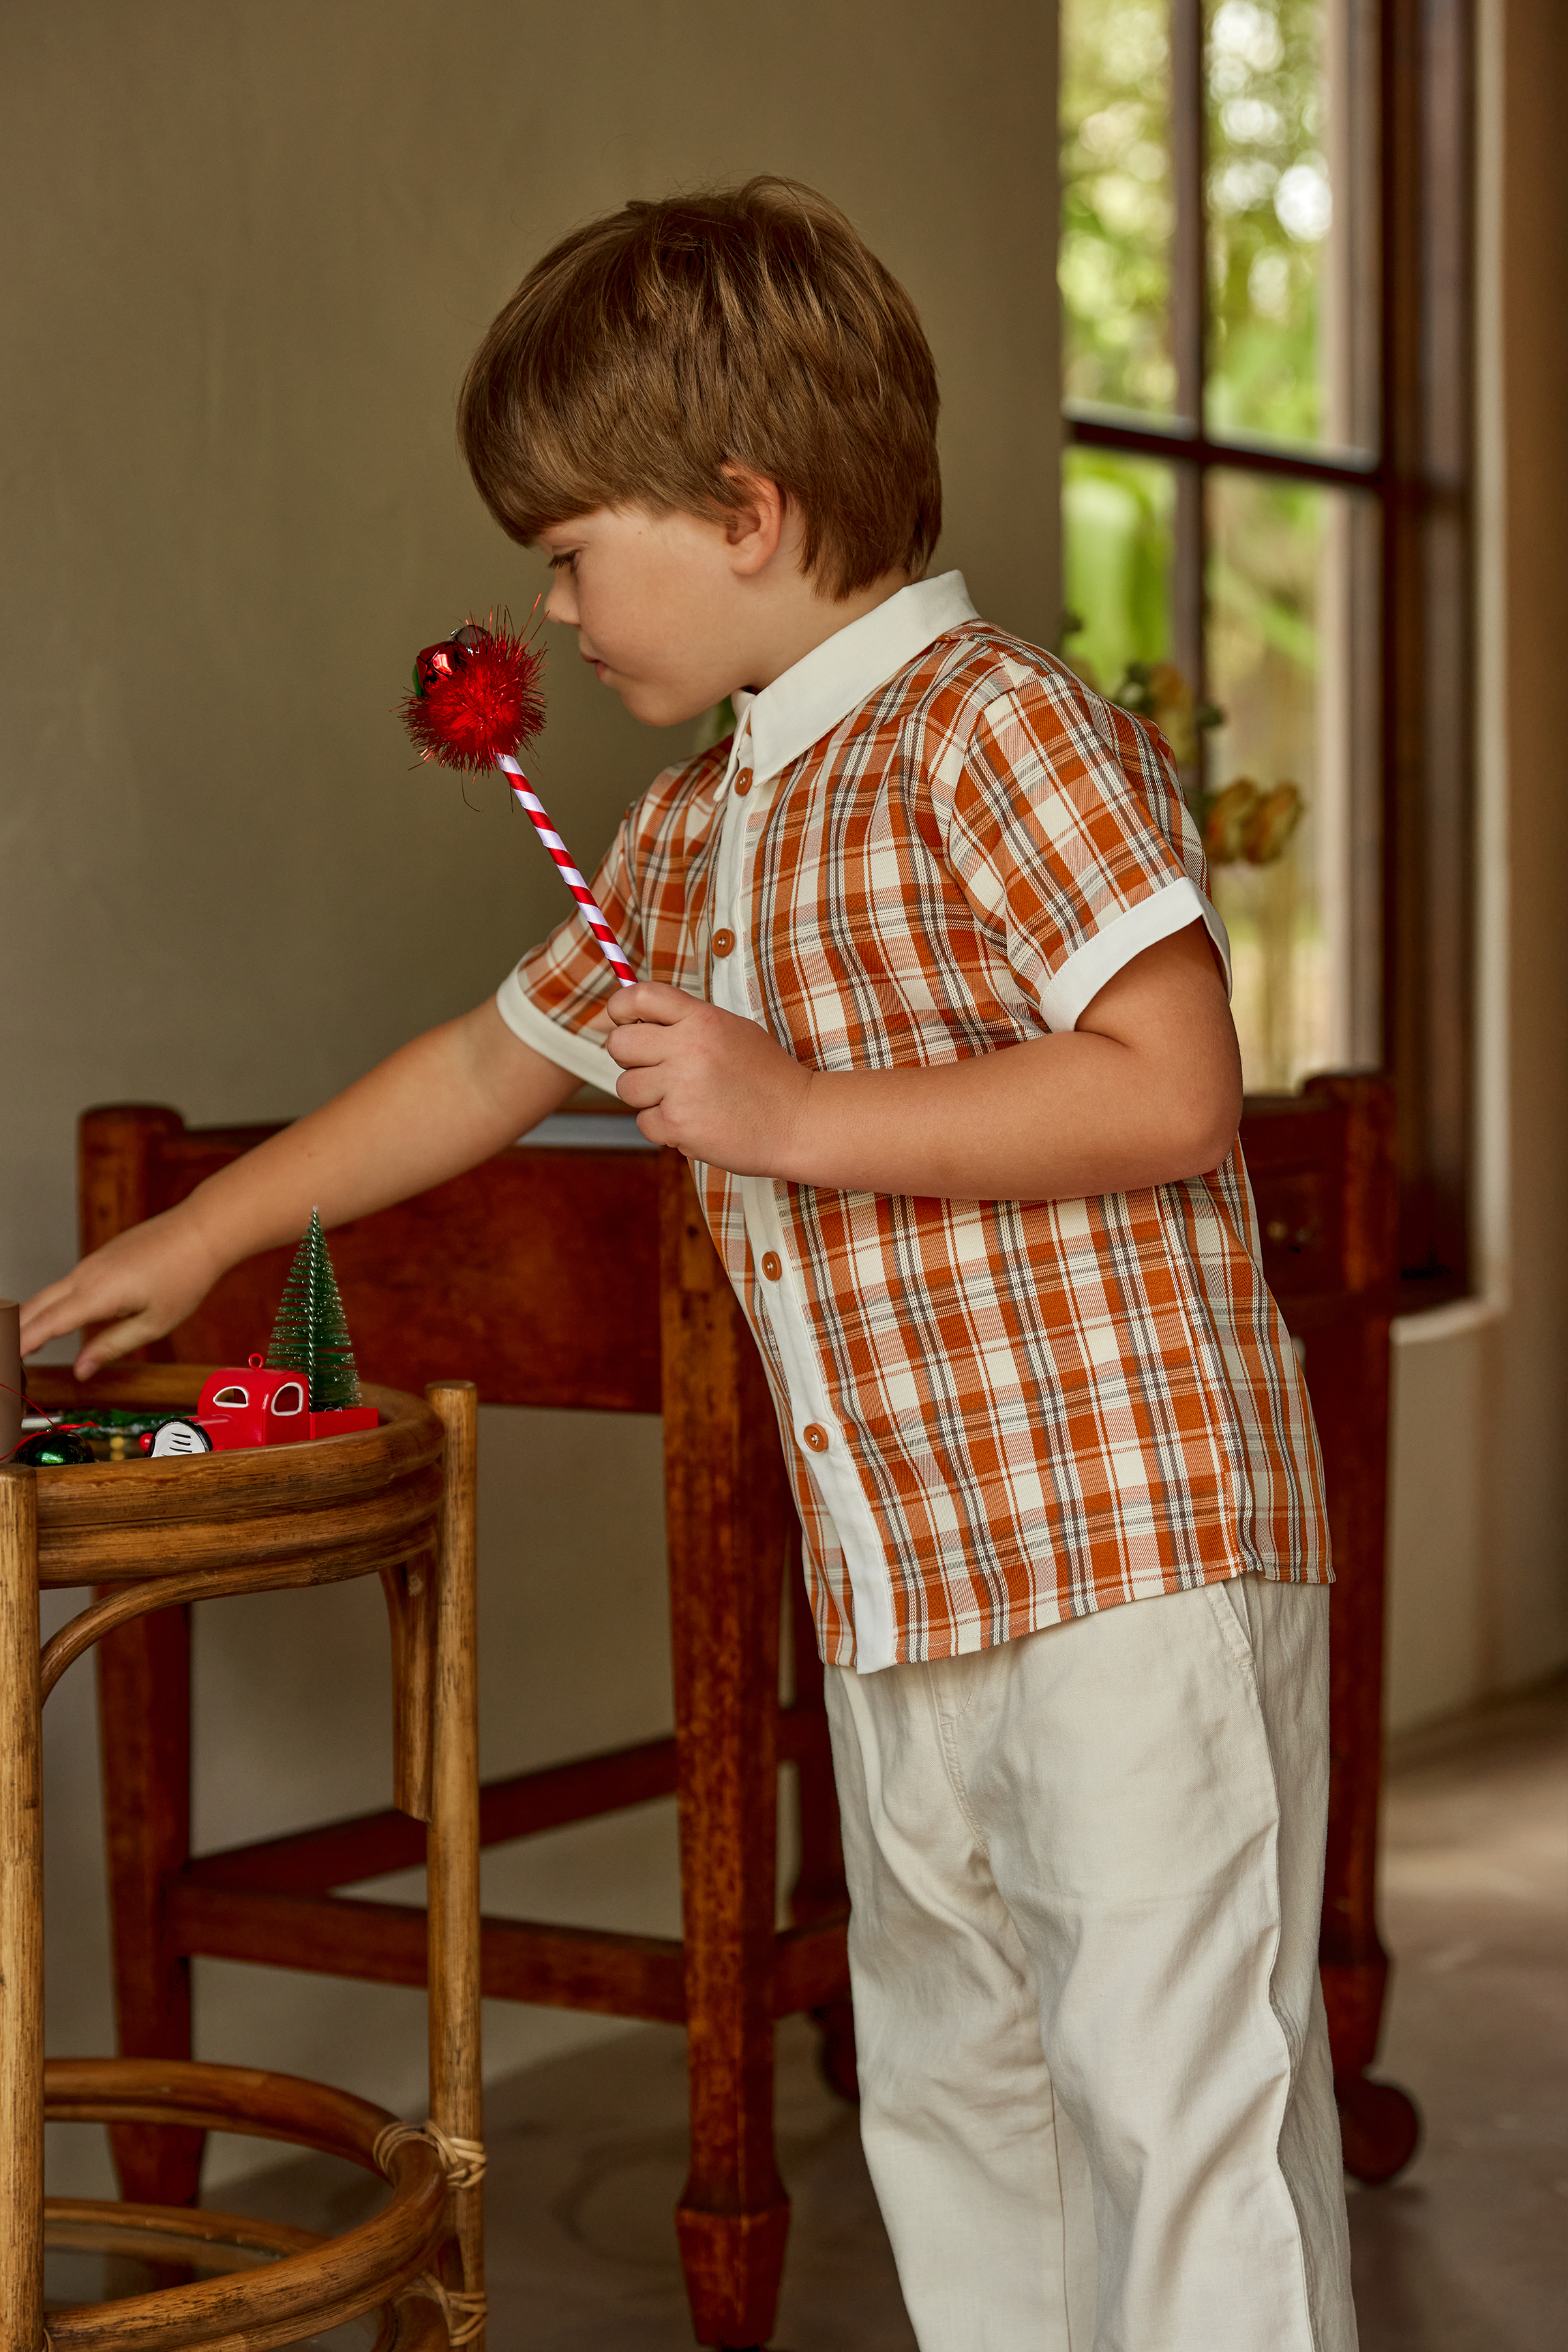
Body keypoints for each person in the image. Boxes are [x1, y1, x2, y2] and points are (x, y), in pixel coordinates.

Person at [22, 179, 1356, 2351]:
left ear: (743, 506)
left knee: (1174, 2108)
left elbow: (1171, 1088)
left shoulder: (993, 726)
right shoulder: (689, 825)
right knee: (962, 2104)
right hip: (907, 1587)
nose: (546, 609)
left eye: (569, 549)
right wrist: (207, 1227)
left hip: (1133, 1554)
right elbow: (480, 1062)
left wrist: (794, 1114)